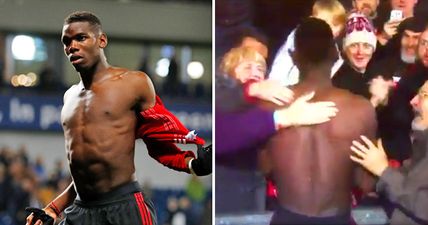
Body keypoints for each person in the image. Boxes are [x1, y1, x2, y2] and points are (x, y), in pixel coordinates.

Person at [26, 11, 211, 225]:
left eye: (81, 38)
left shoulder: (134, 83)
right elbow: (85, 172)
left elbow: (160, 142)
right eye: (66, 42)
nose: (72, 46)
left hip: (124, 207)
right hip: (81, 210)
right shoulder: (69, 97)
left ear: (102, 40)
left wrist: (194, 164)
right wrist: (53, 208)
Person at [263, 18, 377, 225]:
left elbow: (264, 166)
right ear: (335, 53)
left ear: (293, 56)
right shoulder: (361, 110)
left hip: (286, 218)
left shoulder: (270, 107)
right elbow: (366, 182)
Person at [216, 46, 339, 214]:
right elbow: (224, 133)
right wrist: (282, 117)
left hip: (258, 203)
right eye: (247, 67)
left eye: (260, 69)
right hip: (226, 203)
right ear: (229, 71)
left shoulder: (266, 109)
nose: (255, 73)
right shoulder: (219, 98)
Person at [350, 80, 428, 225]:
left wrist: (382, 169)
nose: (413, 101)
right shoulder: (422, 140)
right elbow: (410, 182)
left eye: (424, 95)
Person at [269, 0, 346, 86]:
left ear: (340, 29)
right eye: (323, 22)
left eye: (334, 24)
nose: (328, 27)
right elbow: (282, 64)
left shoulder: (336, 56)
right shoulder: (298, 37)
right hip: (281, 85)